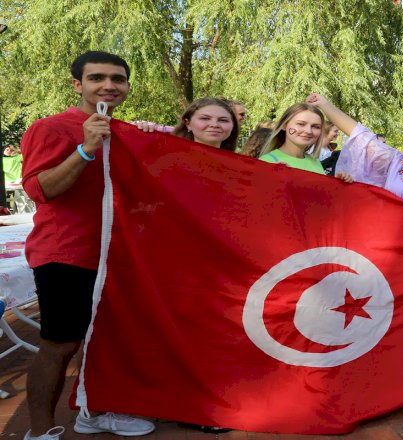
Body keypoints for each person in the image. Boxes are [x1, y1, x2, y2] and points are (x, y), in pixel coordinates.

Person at [20, 51, 155, 440]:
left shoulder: (125, 131)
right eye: (97, 78)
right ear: (77, 85)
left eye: (118, 79)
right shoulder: (50, 128)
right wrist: (85, 148)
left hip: (116, 254)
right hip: (65, 253)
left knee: (103, 342)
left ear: (127, 86)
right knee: (60, 344)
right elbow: (40, 190)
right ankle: (39, 431)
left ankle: (93, 413)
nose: (109, 85)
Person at [258, 103, 326, 174]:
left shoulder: (315, 162)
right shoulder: (267, 162)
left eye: (316, 127)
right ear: (284, 125)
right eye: (301, 124)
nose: (308, 131)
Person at [170, 98, 239, 151]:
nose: (215, 125)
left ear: (233, 125)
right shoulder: (169, 160)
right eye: (205, 118)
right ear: (188, 124)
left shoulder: (238, 164)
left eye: (223, 120)